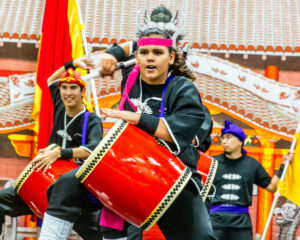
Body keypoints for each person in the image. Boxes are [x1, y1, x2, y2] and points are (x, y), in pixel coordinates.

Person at [99, 28, 217, 240]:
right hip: (140, 179)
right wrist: (111, 54)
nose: (151, 59)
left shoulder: (190, 101)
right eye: (145, 54)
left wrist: (140, 120)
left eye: (159, 54)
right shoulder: (133, 79)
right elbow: (135, 46)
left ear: (172, 60)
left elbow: (193, 141)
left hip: (176, 179)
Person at [0, 59, 103, 240]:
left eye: (73, 88)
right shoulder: (60, 108)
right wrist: (72, 63)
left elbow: (95, 149)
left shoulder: (91, 120)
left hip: (71, 194)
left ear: (82, 91)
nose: (67, 93)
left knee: (98, 236)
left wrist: (59, 153)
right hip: (42, 183)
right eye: (64, 88)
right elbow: (50, 81)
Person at [209, 120, 294, 240]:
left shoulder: (252, 164)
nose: (224, 141)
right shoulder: (212, 162)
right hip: (215, 221)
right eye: (223, 138)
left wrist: (283, 166)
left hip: (241, 222)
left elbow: (271, 187)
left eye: (228, 137)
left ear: (240, 141)